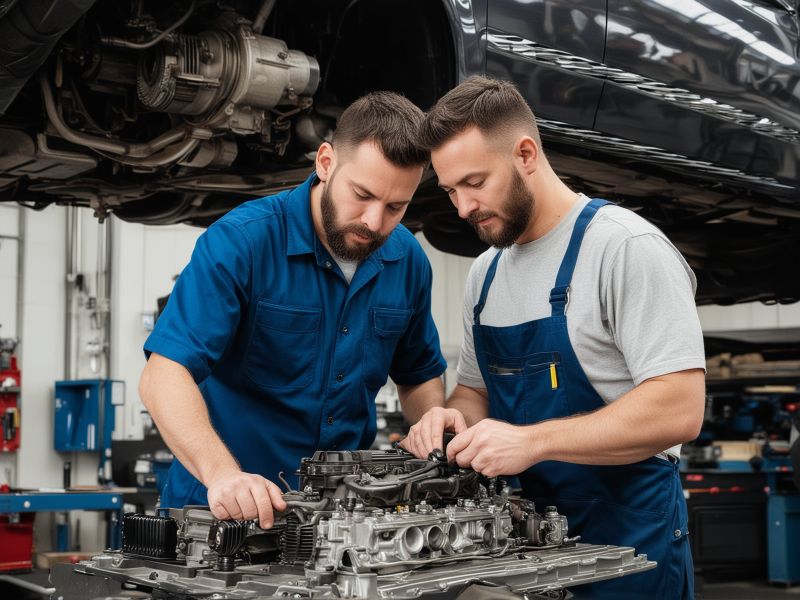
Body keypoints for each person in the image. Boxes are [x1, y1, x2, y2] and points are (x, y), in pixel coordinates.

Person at [402, 76, 706, 599]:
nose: (462, 208)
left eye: (475, 182)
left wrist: (531, 441)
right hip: (525, 551)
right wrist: (453, 420)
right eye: (451, 190)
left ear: (525, 154)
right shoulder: (485, 274)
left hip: (628, 544)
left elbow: (679, 408)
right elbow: (475, 393)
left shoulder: (624, 248)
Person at [139, 91, 447, 530]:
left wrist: (431, 423)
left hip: (341, 521)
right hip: (221, 516)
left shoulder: (408, 261)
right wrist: (223, 475)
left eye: (396, 207)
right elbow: (163, 375)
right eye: (361, 194)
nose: (375, 222)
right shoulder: (242, 242)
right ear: (325, 162)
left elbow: (418, 377)